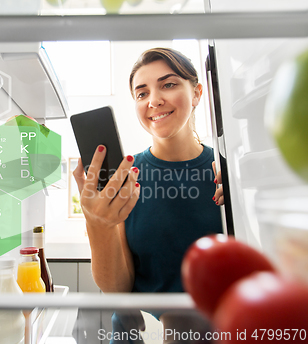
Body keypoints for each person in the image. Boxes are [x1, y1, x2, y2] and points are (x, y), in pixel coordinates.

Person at [73, 47, 224, 343]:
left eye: (168, 84)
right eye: (141, 94)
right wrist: (97, 224)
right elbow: (117, 287)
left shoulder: (226, 174)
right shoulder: (126, 178)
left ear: (196, 93)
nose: (154, 100)